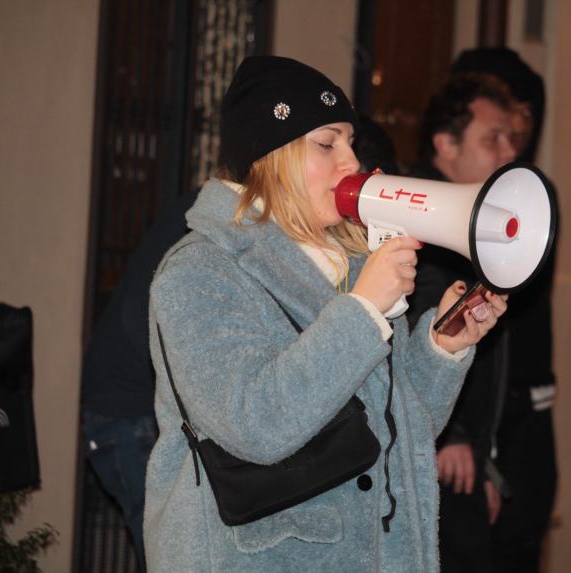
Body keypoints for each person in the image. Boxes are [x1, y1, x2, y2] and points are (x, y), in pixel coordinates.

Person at [143, 55, 507, 572]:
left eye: (351, 142)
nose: (351, 162)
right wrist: (362, 310)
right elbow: (256, 423)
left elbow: (401, 433)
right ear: (272, 155)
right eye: (326, 142)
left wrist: (442, 346)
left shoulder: (356, 263)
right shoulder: (198, 272)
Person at [451, 47, 559, 573]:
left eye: (514, 125)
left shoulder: (526, 196)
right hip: (478, 414)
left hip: (522, 406)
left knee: (519, 542)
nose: (509, 140)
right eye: (493, 129)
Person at [406, 72, 515, 573]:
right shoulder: (423, 217)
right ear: (446, 145)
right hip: (439, 446)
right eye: (492, 137)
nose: (507, 151)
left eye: (510, 136)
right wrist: (454, 436)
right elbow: (422, 323)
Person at [80, 187, 198, 569]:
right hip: (127, 412)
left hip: (129, 408)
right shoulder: (202, 218)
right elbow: (142, 316)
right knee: (170, 554)